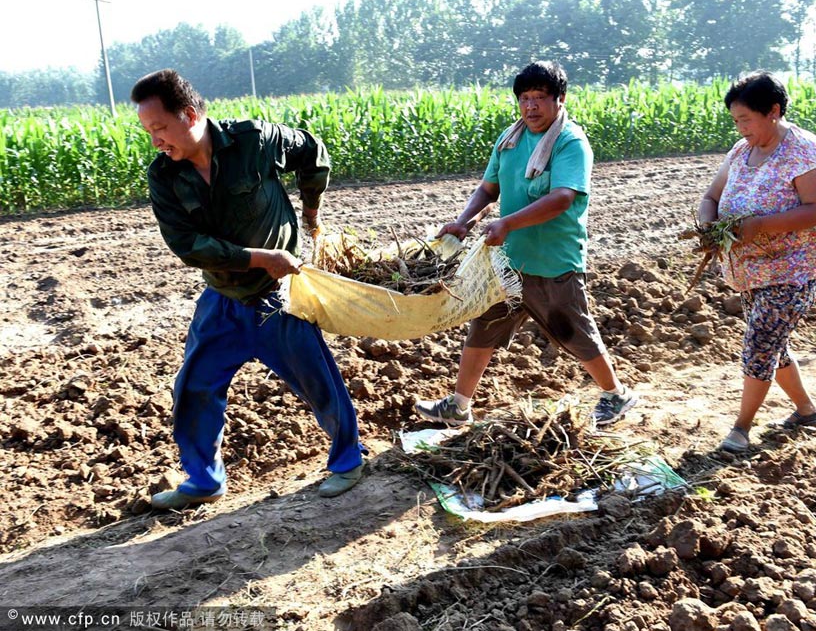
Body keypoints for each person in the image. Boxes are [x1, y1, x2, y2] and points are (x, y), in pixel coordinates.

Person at [130, 69, 366, 510]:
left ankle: (348, 461)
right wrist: (262, 257)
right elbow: (189, 245)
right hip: (222, 297)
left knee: (317, 379)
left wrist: (311, 211)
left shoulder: (254, 141)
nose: (156, 140)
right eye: (149, 132)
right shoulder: (164, 175)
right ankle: (203, 481)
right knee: (195, 388)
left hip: (279, 297)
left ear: (189, 114)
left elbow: (312, 151)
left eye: (160, 128)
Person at [414, 61, 639, 429]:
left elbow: (563, 198)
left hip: (551, 260)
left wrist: (507, 223)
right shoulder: (511, 139)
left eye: (539, 98)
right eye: (524, 99)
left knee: (573, 331)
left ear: (559, 99)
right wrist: (464, 220)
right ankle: (459, 405)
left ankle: (616, 394)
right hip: (509, 259)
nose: (531, 106)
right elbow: (490, 188)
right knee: (485, 324)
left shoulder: (570, 142)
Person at [696, 71, 816, 453]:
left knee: (760, 342)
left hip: (795, 267)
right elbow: (711, 196)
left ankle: (741, 428)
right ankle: (806, 411)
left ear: (773, 111)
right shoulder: (741, 152)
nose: (740, 128)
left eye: (746, 119)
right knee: (773, 343)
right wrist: (707, 224)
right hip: (751, 269)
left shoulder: (805, 151)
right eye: (736, 121)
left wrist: (759, 226)